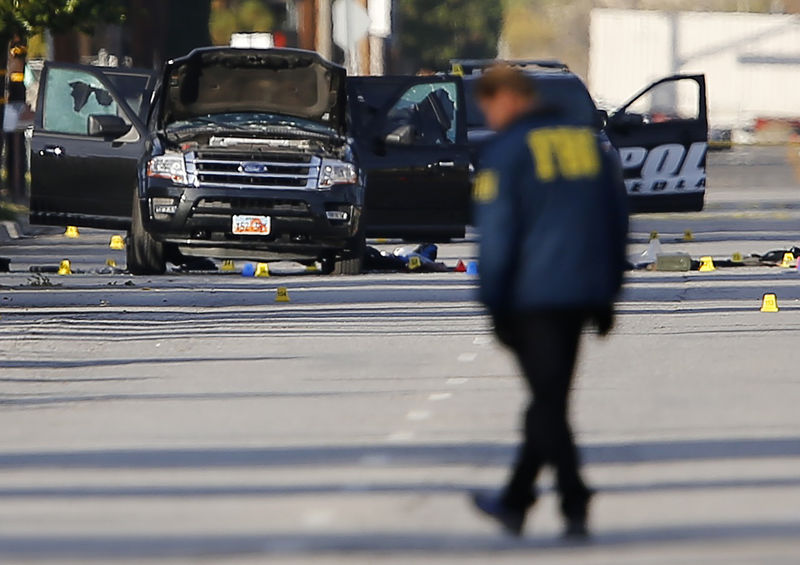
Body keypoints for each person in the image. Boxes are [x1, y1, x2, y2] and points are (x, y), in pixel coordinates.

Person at [469, 65, 629, 539]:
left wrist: (493, 301)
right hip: (581, 292)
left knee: (546, 403)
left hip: (532, 296)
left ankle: (567, 496)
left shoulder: (507, 151)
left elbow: (497, 236)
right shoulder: (586, 146)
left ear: (511, 100)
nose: (490, 116)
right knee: (551, 399)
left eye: (491, 106)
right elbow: (616, 219)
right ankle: (528, 500)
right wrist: (609, 291)